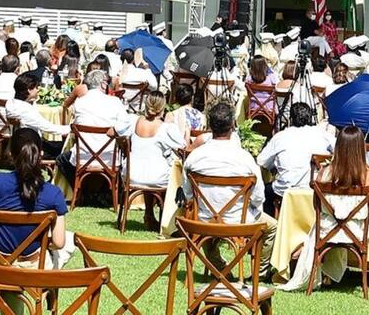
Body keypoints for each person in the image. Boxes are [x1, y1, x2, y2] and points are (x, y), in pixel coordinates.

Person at [182, 103, 277, 277]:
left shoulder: (194, 157)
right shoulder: (245, 158)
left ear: (210, 126)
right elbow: (258, 197)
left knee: (200, 221)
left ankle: (220, 268)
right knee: (272, 228)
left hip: (205, 219)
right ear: (233, 125)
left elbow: (188, 194)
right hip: (237, 221)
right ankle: (260, 273)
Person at [281, 125, 369, 291]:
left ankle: (324, 273)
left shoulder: (325, 173)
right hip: (356, 231)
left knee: (326, 223)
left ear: (338, 147)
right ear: (361, 148)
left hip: (327, 230)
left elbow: (316, 205)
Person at [0, 129, 72, 270]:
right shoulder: (53, 193)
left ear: (11, 155)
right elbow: (59, 242)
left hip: (0, 268)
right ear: (40, 155)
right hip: (35, 269)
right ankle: (43, 291)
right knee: (69, 242)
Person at [258, 102, 334, 214]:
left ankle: (272, 227)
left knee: (264, 192)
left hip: (286, 190)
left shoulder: (280, 136)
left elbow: (262, 161)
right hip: (316, 189)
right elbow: (340, 149)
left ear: (290, 119)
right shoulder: (322, 134)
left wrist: (275, 166)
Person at [56, 70, 130, 182]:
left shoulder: (80, 103)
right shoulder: (114, 102)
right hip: (109, 159)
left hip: (83, 158)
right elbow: (126, 124)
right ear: (102, 84)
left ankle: (81, 191)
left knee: (61, 159)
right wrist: (116, 130)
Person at [126, 91, 185, 230]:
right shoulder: (166, 128)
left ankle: (149, 213)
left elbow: (113, 132)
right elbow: (183, 147)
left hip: (132, 174)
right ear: (163, 107)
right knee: (172, 173)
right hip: (157, 177)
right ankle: (165, 217)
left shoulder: (134, 121)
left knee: (150, 166)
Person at [6, 74, 70, 158]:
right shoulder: (27, 111)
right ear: (29, 90)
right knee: (67, 149)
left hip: (17, 143)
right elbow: (49, 128)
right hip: (32, 148)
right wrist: (72, 128)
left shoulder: (10, 103)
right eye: (36, 88)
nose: (38, 90)